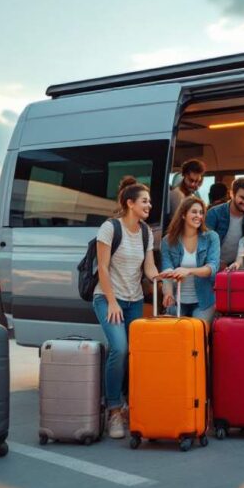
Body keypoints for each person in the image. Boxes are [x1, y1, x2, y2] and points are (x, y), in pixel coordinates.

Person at [92, 180, 161, 439]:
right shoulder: (109, 228)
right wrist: (111, 301)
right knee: (119, 349)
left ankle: (132, 404)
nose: (149, 205)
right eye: (145, 201)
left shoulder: (146, 232)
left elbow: (149, 268)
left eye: (150, 201)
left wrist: (162, 281)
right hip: (108, 298)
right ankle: (114, 410)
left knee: (136, 353)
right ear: (129, 203)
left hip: (133, 300)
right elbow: (102, 267)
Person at [160, 196, 221, 325]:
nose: (198, 216)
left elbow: (212, 268)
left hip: (204, 301)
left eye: (201, 212)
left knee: (197, 333)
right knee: (175, 336)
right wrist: (168, 293)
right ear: (183, 215)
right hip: (177, 300)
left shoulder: (211, 237)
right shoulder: (167, 240)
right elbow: (167, 268)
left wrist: (188, 271)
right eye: (194, 212)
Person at [205, 177, 244, 268]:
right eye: (242, 198)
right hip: (214, 265)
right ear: (232, 194)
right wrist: (217, 263)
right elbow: (205, 244)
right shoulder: (214, 213)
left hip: (238, 265)